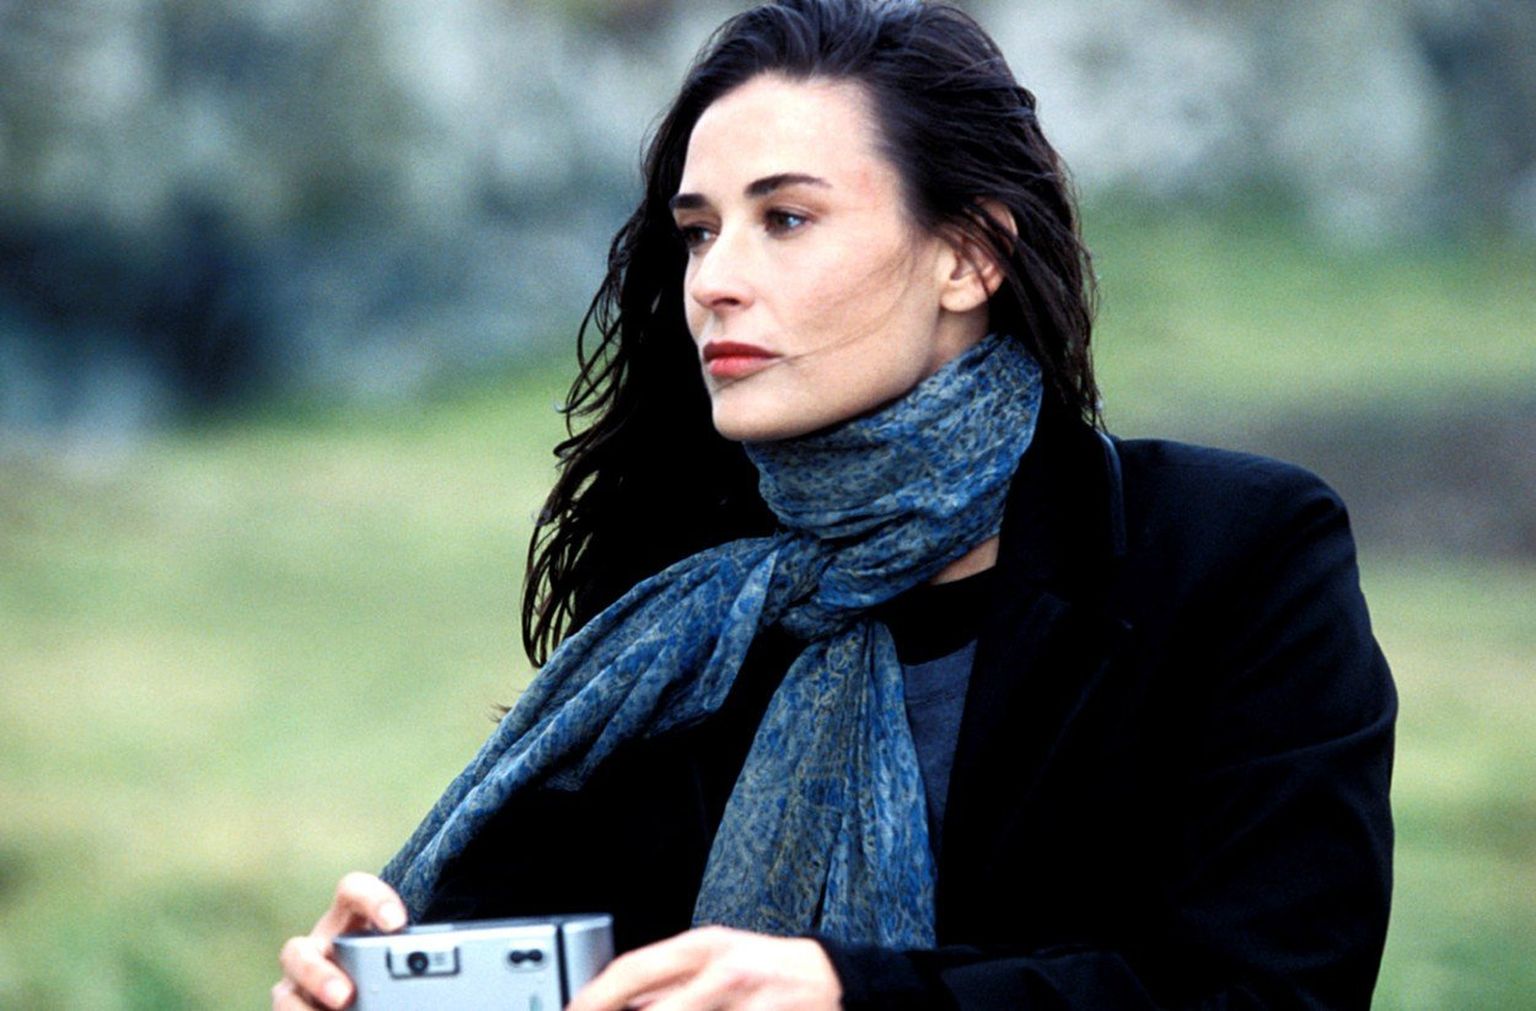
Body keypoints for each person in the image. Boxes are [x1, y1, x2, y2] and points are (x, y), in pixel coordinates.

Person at [273, 1, 1396, 1008]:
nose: (714, 280)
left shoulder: (1231, 556)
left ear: (968, 258)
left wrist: (850, 993)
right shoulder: (683, 620)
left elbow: (1272, 989)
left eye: (786, 219)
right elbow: (562, 964)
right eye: (699, 230)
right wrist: (381, 985)